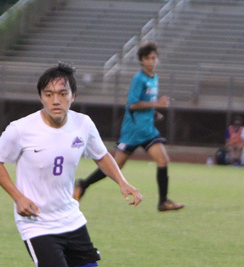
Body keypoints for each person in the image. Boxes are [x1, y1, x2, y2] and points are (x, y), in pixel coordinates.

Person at [0, 63, 143, 267]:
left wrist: (122, 182)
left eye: (62, 93)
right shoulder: (21, 129)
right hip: (36, 221)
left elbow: (101, 156)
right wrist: (18, 197)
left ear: (74, 95)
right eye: (49, 95)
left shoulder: (83, 124)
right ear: (41, 97)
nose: (56, 100)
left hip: (70, 215)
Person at [73, 41, 183, 212]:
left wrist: (153, 112)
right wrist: (157, 104)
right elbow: (132, 104)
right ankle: (83, 184)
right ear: (141, 61)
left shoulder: (154, 78)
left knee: (163, 160)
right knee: (115, 166)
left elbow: (145, 102)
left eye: (154, 58)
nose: (151, 61)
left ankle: (163, 201)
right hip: (133, 131)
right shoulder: (139, 79)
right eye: (148, 58)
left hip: (147, 130)